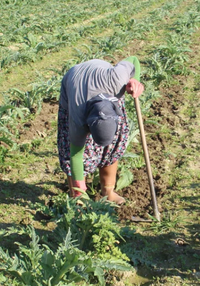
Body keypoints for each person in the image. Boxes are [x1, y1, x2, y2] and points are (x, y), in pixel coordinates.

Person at [57, 57, 144, 204]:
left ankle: (108, 191)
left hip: (105, 83)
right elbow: (75, 155)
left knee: (113, 147)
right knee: (76, 152)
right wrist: (79, 185)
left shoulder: (117, 79)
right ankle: (78, 198)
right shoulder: (77, 117)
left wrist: (134, 79)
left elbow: (134, 60)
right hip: (75, 83)